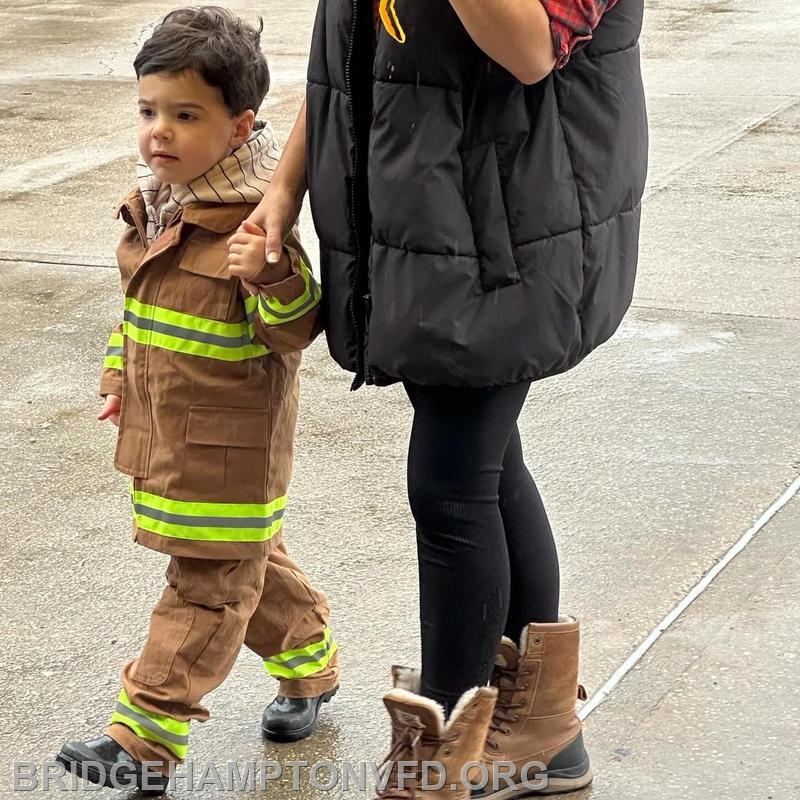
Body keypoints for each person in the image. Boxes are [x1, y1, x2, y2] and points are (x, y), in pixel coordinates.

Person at [248, 0, 647, 796]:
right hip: (435, 220)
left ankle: (442, 763)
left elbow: (530, 47)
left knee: (451, 482)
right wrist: (284, 188)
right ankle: (542, 733)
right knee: (487, 464)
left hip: (513, 224)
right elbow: (353, 55)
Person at [54, 7, 339, 791]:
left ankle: (143, 738)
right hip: (165, 436)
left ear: (240, 125)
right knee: (249, 566)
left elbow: (295, 328)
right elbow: (136, 317)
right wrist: (118, 379)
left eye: (186, 116)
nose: (160, 133)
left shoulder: (253, 220)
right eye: (150, 112)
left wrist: (270, 273)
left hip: (232, 452)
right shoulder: (155, 209)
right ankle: (311, 663)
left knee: (208, 590)